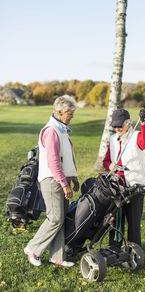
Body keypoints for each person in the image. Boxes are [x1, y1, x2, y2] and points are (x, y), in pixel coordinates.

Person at [24, 95, 79, 267]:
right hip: (52, 181)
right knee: (55, 218)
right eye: (70, 113)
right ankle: (33, 248)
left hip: (61, 179)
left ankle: (57, 256)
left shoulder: (61, 129)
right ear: (60, 112)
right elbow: (53, 161)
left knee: (60, 218)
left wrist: (73, 178)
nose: (72, 116)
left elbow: (66, 157)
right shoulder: (51, 131)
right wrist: (64, 184)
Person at [103, 107, 145, 247]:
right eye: (115, 126)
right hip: (117, 186)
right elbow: (106, 161)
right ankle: (114, 247)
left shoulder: (136, 136)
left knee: (133, 221)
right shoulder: (113, 139)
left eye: (120, 125)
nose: (117, 128)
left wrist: (143, 123)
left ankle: (134, 251)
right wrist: (110, 166)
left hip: (135, 185)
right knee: (115, 219)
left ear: (128, 123)